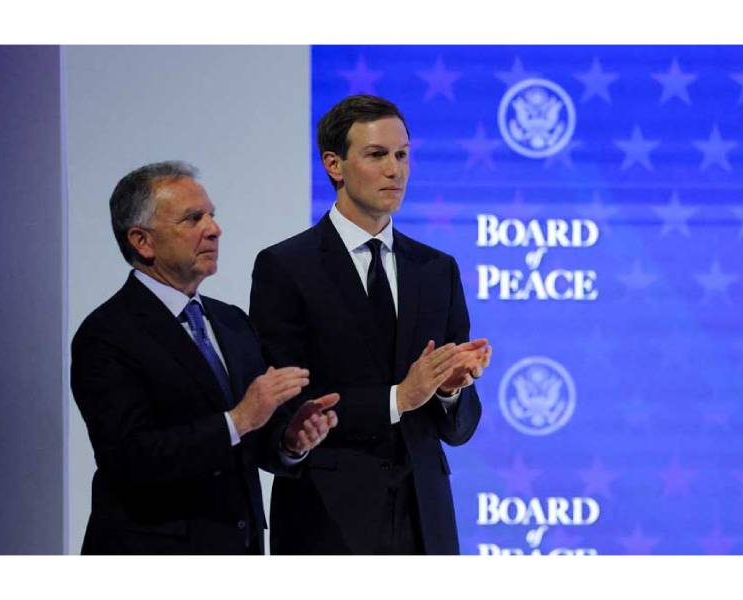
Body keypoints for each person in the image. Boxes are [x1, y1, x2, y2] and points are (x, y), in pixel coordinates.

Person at [249, 95, 492, 554]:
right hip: (328, 523)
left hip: (425, 523)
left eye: (402, 155)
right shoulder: (286, 267)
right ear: (334, 165)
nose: (395, 170)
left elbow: (459, 431)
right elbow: (286, 406)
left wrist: (449, 390)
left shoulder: (437, 270)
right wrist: (399, 398)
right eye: (377, 155)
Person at [71, 161, 338, 554]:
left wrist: (289, 440)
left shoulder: (232, 322)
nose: (214, 229)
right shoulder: (107, 334)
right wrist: (239, 419)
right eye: (193, 218)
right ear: (142, 241)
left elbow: (252, 441)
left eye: (212, 215)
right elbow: (130, 459)